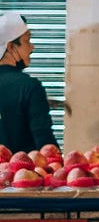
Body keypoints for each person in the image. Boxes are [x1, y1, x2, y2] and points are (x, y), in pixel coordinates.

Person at [0, 12, 57, 152]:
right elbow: (46, 145)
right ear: (10, 47)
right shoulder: (30, 87)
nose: (32, 47)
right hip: (21, 166)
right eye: (27, 41)